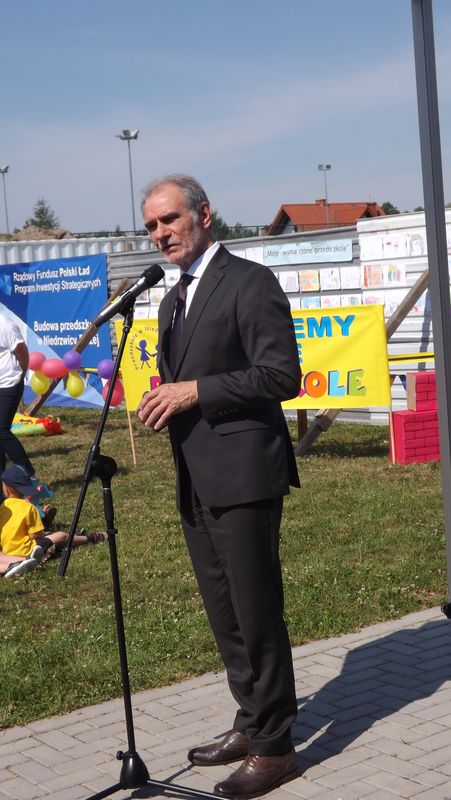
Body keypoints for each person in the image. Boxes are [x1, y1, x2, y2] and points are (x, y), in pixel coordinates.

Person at [137, 174, 301, 798]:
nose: (160, 234)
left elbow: (280, 374)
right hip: (195, 475)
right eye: (151, 226)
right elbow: (185, 379)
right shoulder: (171, 300)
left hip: (246, 474)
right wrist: (166, 399)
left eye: (169, 219)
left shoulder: (249, 282)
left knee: (256, 611)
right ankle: (251, 719)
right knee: (225, 613)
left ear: (204, 215)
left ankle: (275, 747)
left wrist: (194, 392)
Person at [0, 465, 106, 578]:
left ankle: (45, 549)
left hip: (7, 551)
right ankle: (91, 538)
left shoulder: (3, 507)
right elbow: (35, 535)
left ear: (6, 489)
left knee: (50, 537)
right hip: (27, 549)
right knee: (60, 536)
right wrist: (43, 533)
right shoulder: (28, 507)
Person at [0, 314, 35, 477]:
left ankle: (28, 473)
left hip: (9, 383)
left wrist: (21, 373)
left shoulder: (4, 323)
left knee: (1, 431)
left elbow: (21, 351)